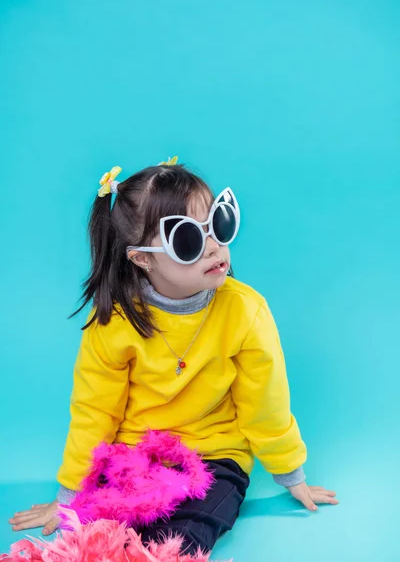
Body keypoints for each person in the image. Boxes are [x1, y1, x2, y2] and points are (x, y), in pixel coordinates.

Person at [9, 158, 338, 555]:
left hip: (215, 454)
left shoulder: (245, 310)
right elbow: (95, 411)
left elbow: (264, 401)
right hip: (132, 455)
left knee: (188, 533)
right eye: (188, 240)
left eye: (219, 224)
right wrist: (69, 491)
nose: (216, 247)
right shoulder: (114, 320)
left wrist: (290, 473)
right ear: (142, 258)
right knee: (95, 530)